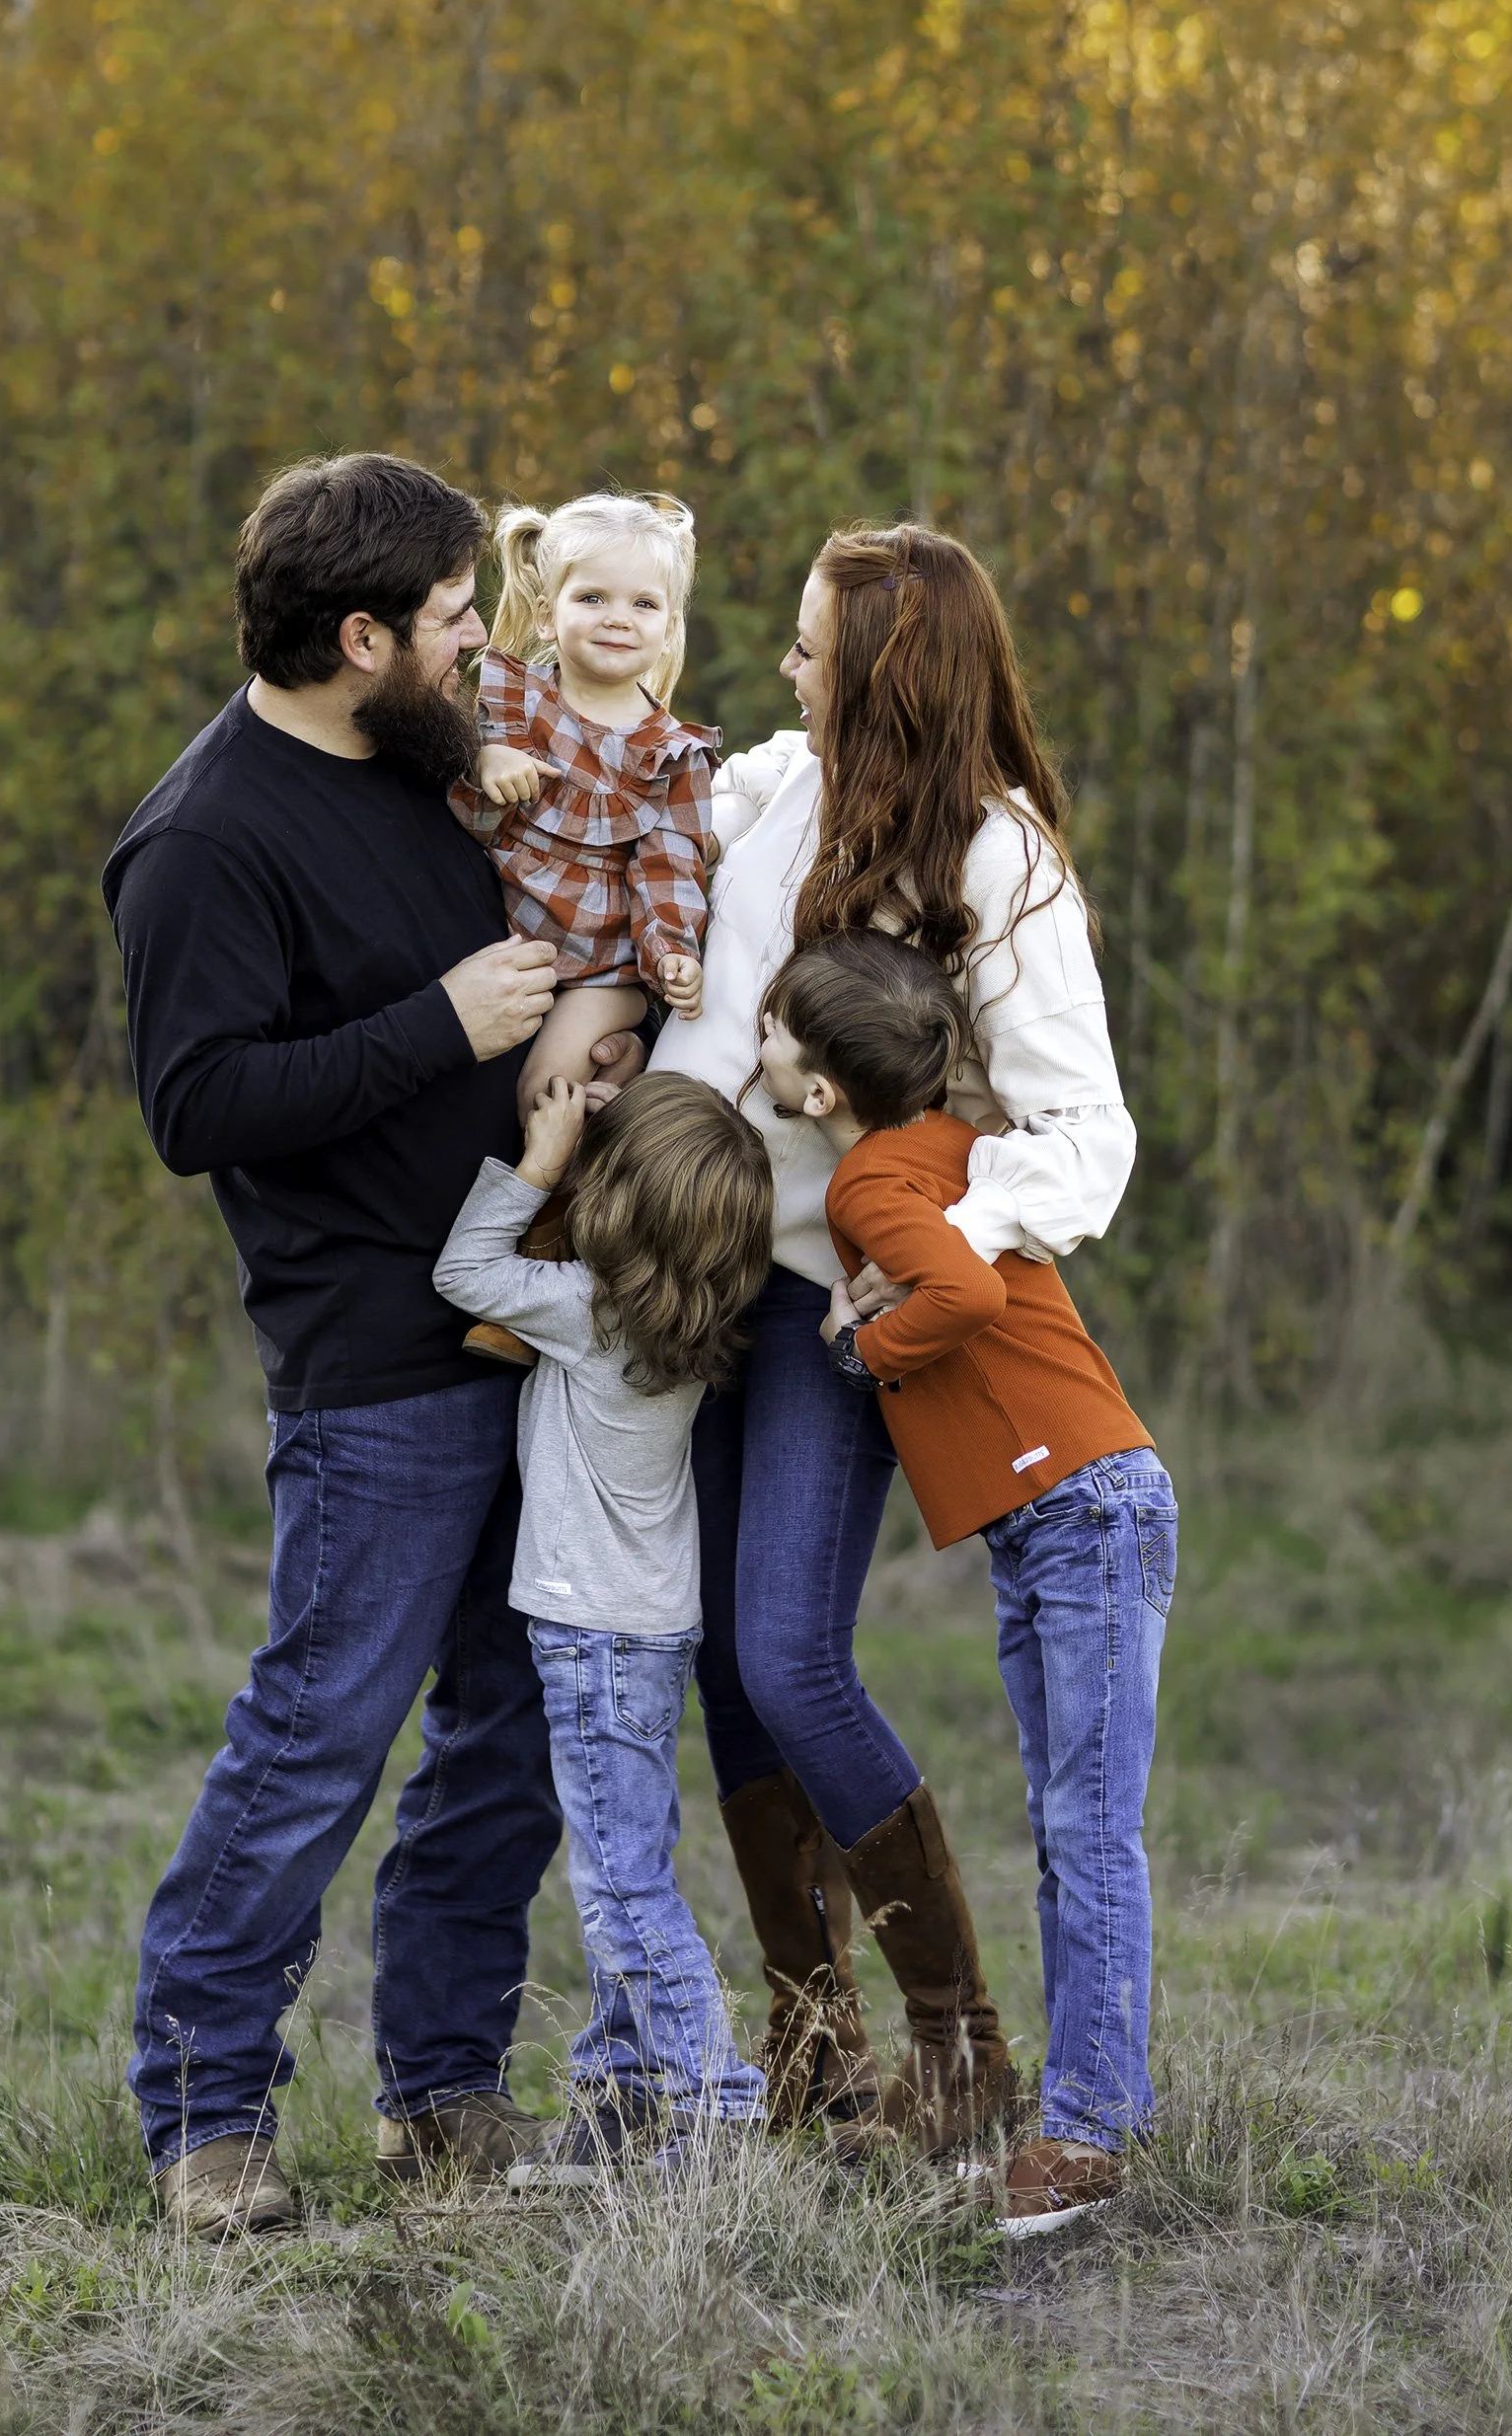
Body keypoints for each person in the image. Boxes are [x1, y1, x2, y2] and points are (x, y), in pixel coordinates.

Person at [101, 451, 643, 2238]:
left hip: (530, 1331)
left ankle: (440, 2094)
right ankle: (202, 2118)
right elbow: (196, 1107)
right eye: (448, 623)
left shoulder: (434, 775)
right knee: (319, 1736)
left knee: (507, 1731)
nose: (478, 645)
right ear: (359, 638)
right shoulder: (205, 837)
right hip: (375, 1364)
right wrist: (435, 1026)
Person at [654, 522, 1137, 2164]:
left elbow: (1081, 1133)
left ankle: (957, 2045)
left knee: (786, 1652)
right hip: (690, 1287)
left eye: (807, 647)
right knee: (721, 1667)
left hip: (817, 1303)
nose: (782, 668)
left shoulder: (997, 864)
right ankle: (813, 2054)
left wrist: (932, 1232)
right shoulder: (775, 787)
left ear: (881, 674)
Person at [755, 931, 1174, 2217]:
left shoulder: (870, 1187)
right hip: (1066, 1513)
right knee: (1068, 1822)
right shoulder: (955, 1146)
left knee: (1086, 1827)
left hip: (1078, 1504)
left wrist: (859, 1339)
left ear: (820, 1087)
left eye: (770, 1033)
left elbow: (967, 1300)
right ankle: (1091, 2099)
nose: (756, 1049)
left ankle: (1095, 2130)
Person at [433, 1071, 775, 2184]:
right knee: (631, 1861)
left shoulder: (587, 1309)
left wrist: (537, 1162)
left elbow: (463, 1271)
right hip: (650, 1633)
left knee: (621, 1883)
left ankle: (715, 2104)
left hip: (589, 1639)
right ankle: (621, 2100)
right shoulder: (700, 1318)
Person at [449, 491, 716, 1123]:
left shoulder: (672, 756)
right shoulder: (509, 702)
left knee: (541, 1095)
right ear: (546, 614)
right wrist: (484, 763)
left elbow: (668, 870)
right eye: (592, 598)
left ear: (670, 626)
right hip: (505, 935)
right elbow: (459, 822)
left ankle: (548, 1211)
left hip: (603, 970)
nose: (618, 619)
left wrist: (673, 953)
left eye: (644, 604)